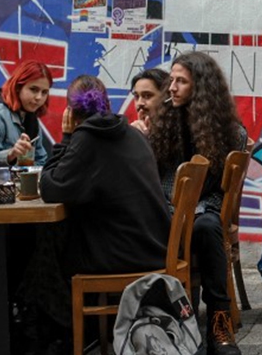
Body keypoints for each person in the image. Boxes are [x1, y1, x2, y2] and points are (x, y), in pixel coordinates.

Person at [36, 75, 170, 345]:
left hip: (125, 255)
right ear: (106, 104)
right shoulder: (130, 132)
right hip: (155, 246)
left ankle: (59, 336)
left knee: (45, 247)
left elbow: (51, 188)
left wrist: (64, 138)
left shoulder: (88, 139)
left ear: (71, 112)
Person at [145, 51, 246, 355]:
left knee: (206, 226)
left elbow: (216, 192)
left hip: (205, 212)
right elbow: (155, 182)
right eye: (171, 80)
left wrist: (195, 208)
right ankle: (173, 326)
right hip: (166, 213)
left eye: (181, 82)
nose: (171, 87)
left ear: (200, 89)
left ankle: (219, 326)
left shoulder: (229, 133)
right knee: (199, 226)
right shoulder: (162, 124)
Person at [0, 60, 53, 171]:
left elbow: (40, 159)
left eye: (44, 92)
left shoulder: (31, 117)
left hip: (21, 186)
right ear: (17, 87)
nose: (39, 97)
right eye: (33, 89)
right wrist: (11, 154)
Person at [128, 68, 168, 135]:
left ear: (165, 97)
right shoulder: (131, 134)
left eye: (147, 96)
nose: (140, 103)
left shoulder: (180, 134)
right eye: (137, 97)